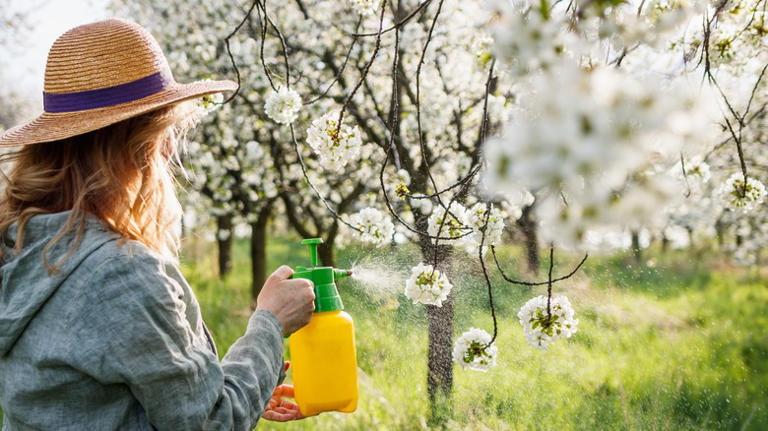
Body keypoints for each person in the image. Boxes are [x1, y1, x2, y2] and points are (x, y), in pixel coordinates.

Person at [0, 18, 315, 430]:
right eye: (166, 131)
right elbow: (210, 422)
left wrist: (241, 383)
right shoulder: (123, 273)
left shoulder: (19, 250)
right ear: (139, 144)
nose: (171, 149)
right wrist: (269, 325)